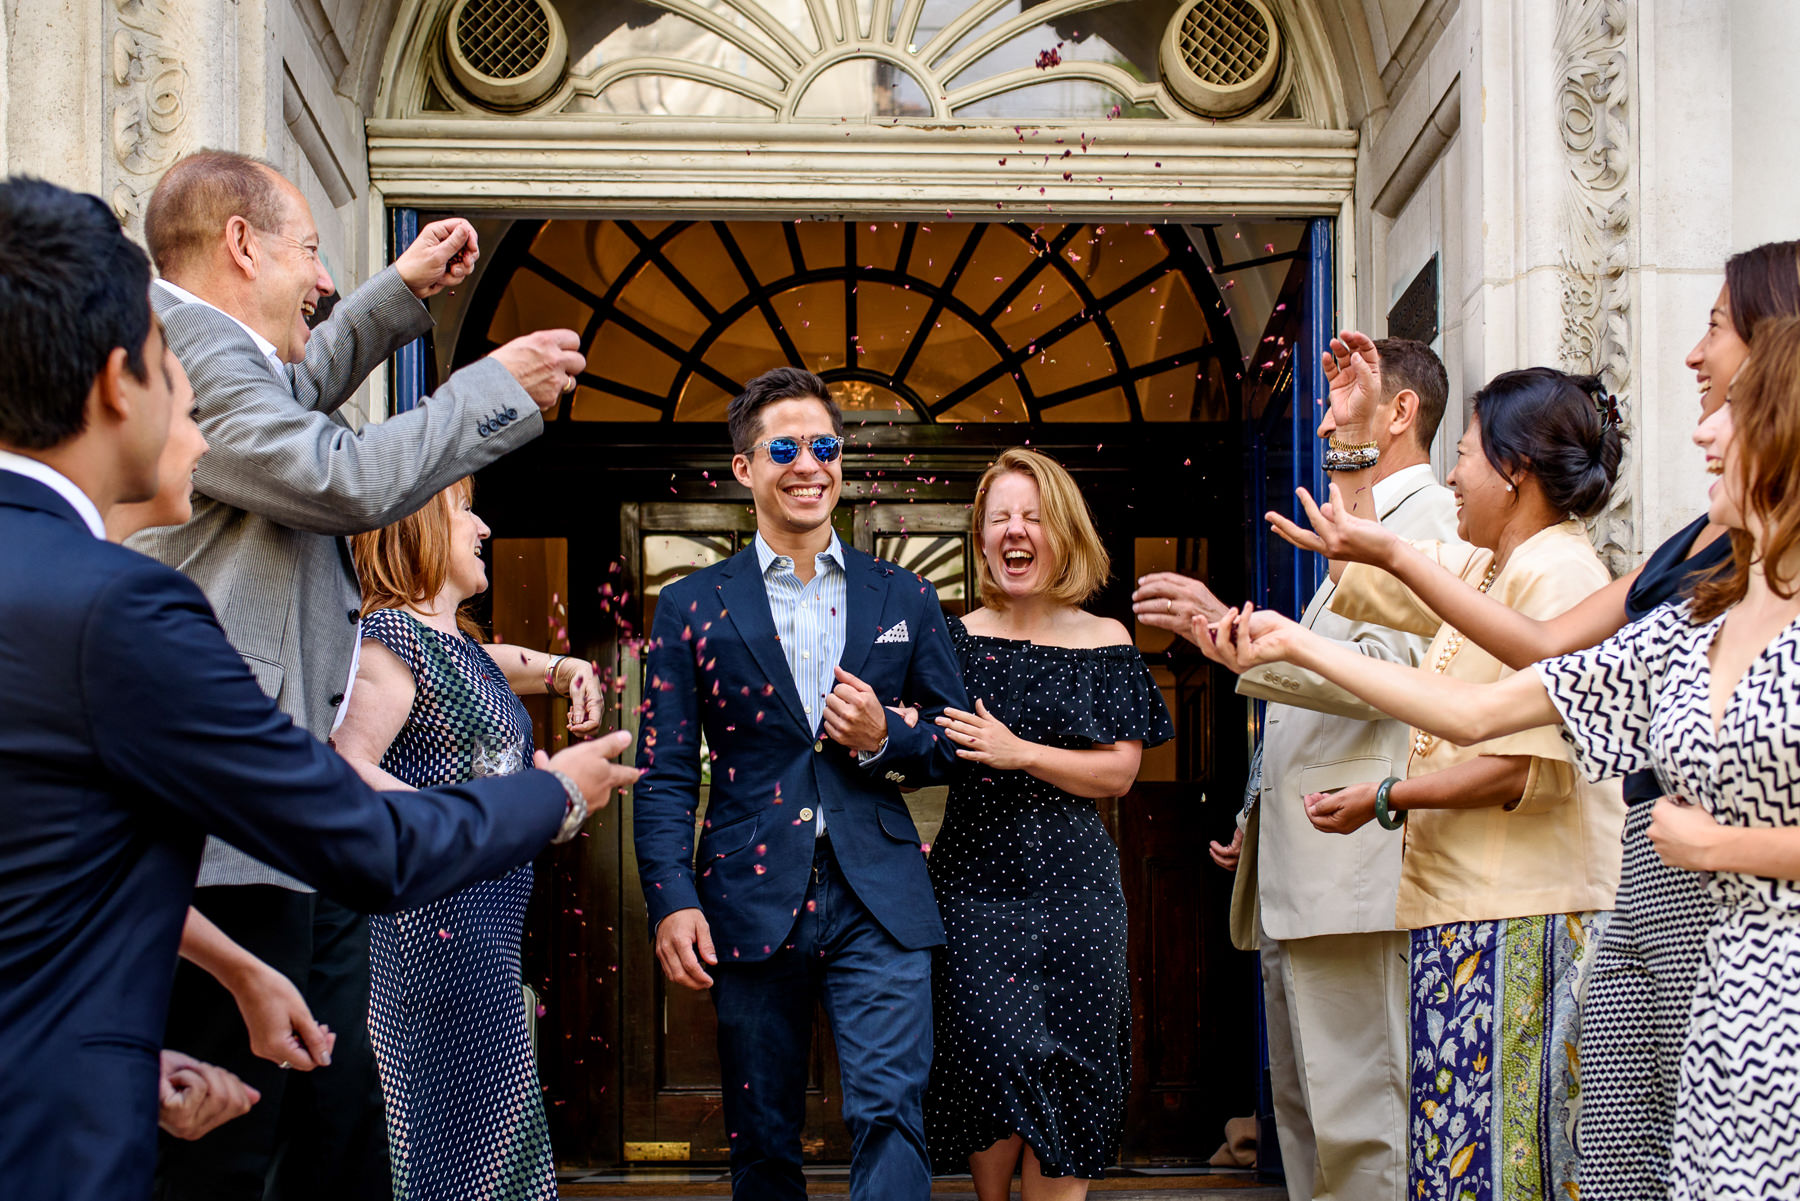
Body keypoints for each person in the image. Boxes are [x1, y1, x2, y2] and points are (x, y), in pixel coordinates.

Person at [0, 176, 637, 1201]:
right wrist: (555, 792)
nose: (204, 428)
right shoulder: (118, 607)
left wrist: (152, 1028)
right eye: (179, 390)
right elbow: (367, 837)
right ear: (122, 383)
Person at [1252, 240, 1800, 1201]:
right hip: (1652, 916)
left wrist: (1723, 845)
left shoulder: (1566, 565)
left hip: (1600, 916)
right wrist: (1304, 636)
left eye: (1728, 412)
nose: (1701, 433)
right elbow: (1490, 687)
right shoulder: (1693, 601)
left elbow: (1513, 732)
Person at [1205, 364, 1625, 1201]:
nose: (1452, 475)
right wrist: (1355, 425)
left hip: (1523, 915)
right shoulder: (1488, 570)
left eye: (1463, 454)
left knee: (1505, 1157)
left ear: (1514, 470)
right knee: (1455, 1155)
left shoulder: (1559, 573)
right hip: (1461, 912)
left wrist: (1387, 797)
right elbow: (1359, 556)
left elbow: (1517, 768)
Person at [633, 367, 969, 1200]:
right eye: (784, 449)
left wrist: (887, 736)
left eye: (824, 446)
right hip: (747, 896)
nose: (809, 464)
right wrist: (671, 898)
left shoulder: (904, 594)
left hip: (880, 895)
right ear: (744, 467)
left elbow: (955, 743)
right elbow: (664, 772)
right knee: (763, 1137)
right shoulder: (690, 605)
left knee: (891, 1112)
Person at [1133, 336, 1456, 1201]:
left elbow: (1386, 676)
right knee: (1311, 1131)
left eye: (1346, 401)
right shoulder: (1357, 537)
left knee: (1366, 1132)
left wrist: (1233, 637)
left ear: (1401, 411)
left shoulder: (1428, 523)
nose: (1321, 421)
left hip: (1357, 877)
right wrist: (1259, 811)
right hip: (1302, 871)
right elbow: (1315, 709)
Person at [333, 479, 605, 1200]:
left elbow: (494, 661)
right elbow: (346, 767)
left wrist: (563, 669)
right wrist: (474, 820)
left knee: (491, 1135)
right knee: (451, 1143)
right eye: (465, 510)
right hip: (429, 934)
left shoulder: (456, 643)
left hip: (481, 928)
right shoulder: (388, 638)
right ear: (418, 526)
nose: (483, 527)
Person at [923, 448, 1172, 1200]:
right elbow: (915, 746)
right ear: (981, 536)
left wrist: (1019, 752)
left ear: (1062, 532)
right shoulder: (950, 640)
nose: (1015, 531)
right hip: (972, 888)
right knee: (988, 1060)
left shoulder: (1107, 640)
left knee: (1074, 1065)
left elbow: (1119, 772)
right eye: (999, 517)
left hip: (1077, 894)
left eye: (1032, 517)